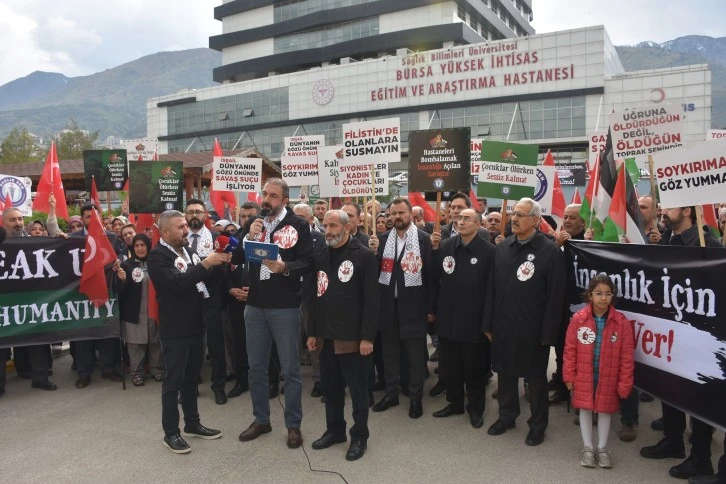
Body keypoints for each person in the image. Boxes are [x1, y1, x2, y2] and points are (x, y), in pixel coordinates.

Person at [640, 205, 723, 479]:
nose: (662, 210)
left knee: (698, 393)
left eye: (670, 206)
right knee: (670, 383)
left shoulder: (708, 244)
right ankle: (673, 440)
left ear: (687, 211)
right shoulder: (668, 239)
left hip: (698, 335)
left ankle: (700, 458)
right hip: (670, 327)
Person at [234, 178, 313, 449]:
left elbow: (308, 262)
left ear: (285, 200)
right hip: (255, 306)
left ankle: (293, 425)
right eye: (264, 194)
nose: (266, 200)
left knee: (290, 369)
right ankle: (261, 419)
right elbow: (236, 257)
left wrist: (286, 268)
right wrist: (248, 236)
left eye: (273, 196)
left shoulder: (298, 225)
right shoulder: (253, 224)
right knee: (256, 367)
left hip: (285, 307)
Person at [484, 198, 565, 446]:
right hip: (504, 326)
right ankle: (507, 416)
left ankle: (538, 424)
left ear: (536, 220)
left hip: (533, 329)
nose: (515, 219)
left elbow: (555, 297)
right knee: (505, 373)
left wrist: (548, 334)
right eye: (513, 214)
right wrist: (488, 323)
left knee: (535, 379)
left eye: (521, 214)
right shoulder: (503, 247)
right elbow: (492, 289)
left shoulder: (549, 251)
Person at [147, 210, 230, 454]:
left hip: (197, 324)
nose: (186, 230)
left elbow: (206, 282)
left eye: (186, 225)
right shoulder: (158, 257)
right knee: (173, 384)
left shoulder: (188, 251)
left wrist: (220, 264)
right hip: (176, 329)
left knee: (191, 380)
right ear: (164, 232)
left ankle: (193, 424)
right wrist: (207, 263)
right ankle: (171, 433)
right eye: (181, 226)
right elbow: (178, 283)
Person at [307, 210, 379, 461]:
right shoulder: (321, 255)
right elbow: (316, 296)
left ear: (347, 228)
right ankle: (335, 431)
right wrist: (313, 331)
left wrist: (368, 337)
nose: (327, 230)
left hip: (353, 338)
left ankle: (359, 437)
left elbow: (372, 301)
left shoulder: (364, 257)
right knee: (331, 389)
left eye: (333, 225)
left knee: (358, 392)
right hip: (326, 337)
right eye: (325, 225)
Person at [429, 209, 495, 428]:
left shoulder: (489, 252)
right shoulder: (446, 247)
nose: (461, 221)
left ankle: (475, 409)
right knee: (450, 368)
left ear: (478, 224)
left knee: (474, 371)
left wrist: (487, 322)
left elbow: (492, 292)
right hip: (448, 321)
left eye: (467, 219)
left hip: (473, 324)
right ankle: (454, 402)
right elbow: (434, 280)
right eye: (459, 218)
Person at [369, 198, 432, 419]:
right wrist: (373, 254)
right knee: (390, 354)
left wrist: (431, 308)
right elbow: (376, 274)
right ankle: (391, 393)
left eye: (401, 213)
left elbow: (431, 278)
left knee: (415, 357)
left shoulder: (424, 241)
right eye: (392, 213)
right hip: (388, 306)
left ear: (410, 215)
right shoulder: (382, 239)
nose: (396, 217)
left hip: (414, 307)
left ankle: (415, 398)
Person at [564, 274, 634, 468]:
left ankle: (602, 448)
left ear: (613, 296)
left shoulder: (621, 322)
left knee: (605, 410)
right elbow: (570, 350)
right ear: (590, 295)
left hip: (609, 376)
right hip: (585, 373)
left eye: (608, 294)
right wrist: (569, 374)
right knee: (585, 408)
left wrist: (624, 382)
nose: (603, 298)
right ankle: (587, 447)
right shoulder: (578, 319)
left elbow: (627, 357)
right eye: (599, 293)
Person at [0, 207, 57, 395]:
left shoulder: (35, 242)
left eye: (20, 219)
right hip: (5, 303)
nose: (18, 223)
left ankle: (40, 378)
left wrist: (61, 239)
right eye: (12, 220)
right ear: (4, 223)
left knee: (37, 339)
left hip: (32, 301)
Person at [70, 204, 124, 388]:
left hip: (106, 291)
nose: (92, 220)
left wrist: (120, 263)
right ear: (82, 219)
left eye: (95, 216)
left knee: (106, 332)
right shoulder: (72, 238)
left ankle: (108, 368)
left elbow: (120, 256)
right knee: (84, 335)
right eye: (87, 217)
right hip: (81, 294)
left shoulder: (111, 237)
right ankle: (84, 373)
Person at [185, 199, 228, 405]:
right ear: (185, 216)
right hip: (187, 298)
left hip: (211, 296)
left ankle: (218, 386)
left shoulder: (216, 238)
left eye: (198, 212)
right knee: (191, 345)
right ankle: (190, 387)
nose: (195, 215)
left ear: (205, 215)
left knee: (216, 344)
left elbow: (223, 269)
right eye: (191, 212)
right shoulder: (180, 239)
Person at [549, 204, 587, 407]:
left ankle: (577, 389)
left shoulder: (588, 243)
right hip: (561, 304)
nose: (568, 221)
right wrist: (557, 245)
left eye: (573, 217)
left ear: (583, 222)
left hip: (581, 306)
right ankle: (561, 383)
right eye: (565, 216)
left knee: (580, 350)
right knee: (562, 346)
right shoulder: (558, 242)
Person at [116, 234, 163, 386]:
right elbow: (119, 290)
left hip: (154, 309)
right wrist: (122, 279)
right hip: (134, 311)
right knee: (135, 344)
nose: (140, 248)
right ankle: (136, 372)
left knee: (156, 341)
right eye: (137, 246)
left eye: (143, 245)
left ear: (148, 246)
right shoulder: (127, 265)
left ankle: (157, 369)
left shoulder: (156, 263)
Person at [293, 203, 326, 399]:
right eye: (294, 216)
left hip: (311, 296)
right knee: (292, 341)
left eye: (301, 217)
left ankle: (319, 379)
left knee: (314, 340)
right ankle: (291, 378)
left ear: (311, 220)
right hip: (289, 296)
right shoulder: (284, 239)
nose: (296, 221)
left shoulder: (319, 239)